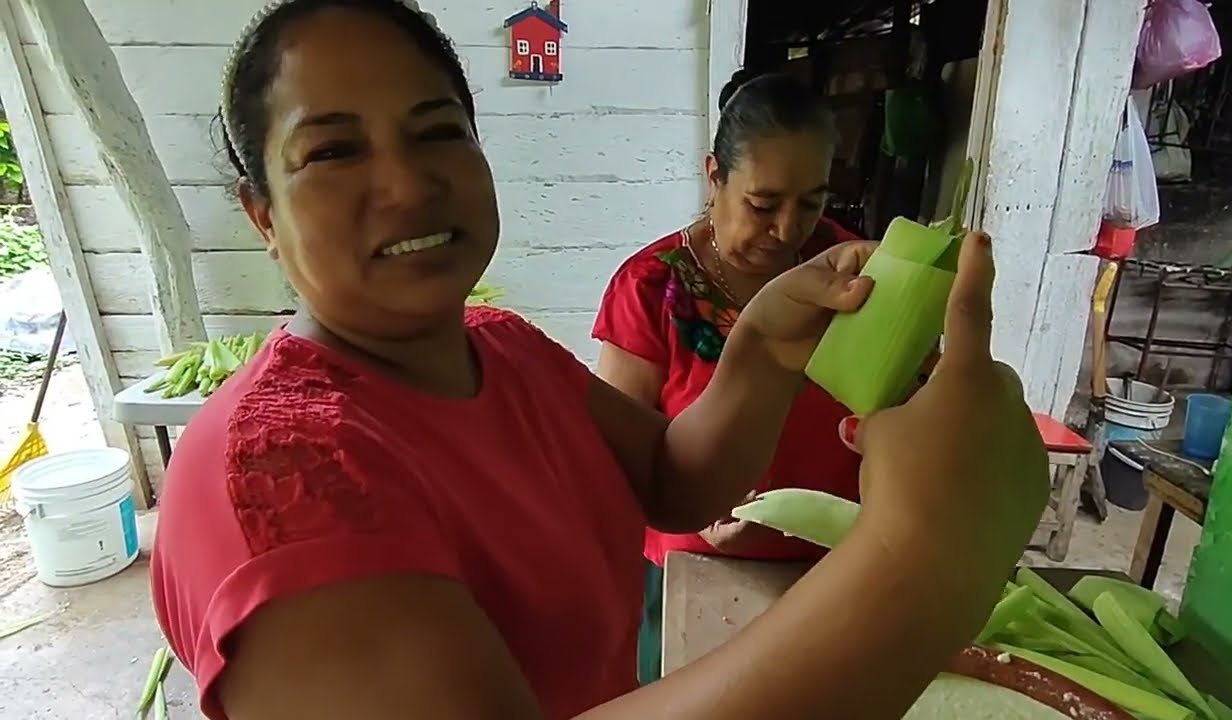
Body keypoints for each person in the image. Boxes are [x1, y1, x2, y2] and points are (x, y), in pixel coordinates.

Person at [149, 2, 1049, 719]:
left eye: (438, 131)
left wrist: (769, 339)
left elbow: (672, 477)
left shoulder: (501, 349)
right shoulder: (280, 474)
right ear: (262, 213)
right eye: (333, 151)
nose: (408, 184)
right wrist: (921, 555)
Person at [593, 70, 885, 685]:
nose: (786, 230)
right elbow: (616, 455)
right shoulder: (651, 287)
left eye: (811, 203)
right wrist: (692, 510)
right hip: (691, 572)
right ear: (714, 176)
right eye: (763, 203)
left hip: (832, 571)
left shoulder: (859, 280)